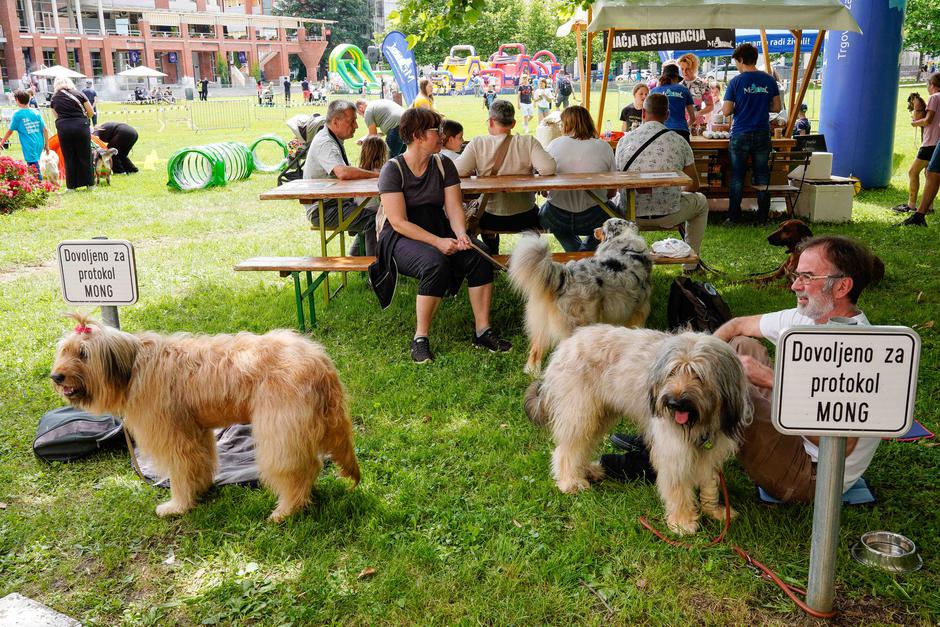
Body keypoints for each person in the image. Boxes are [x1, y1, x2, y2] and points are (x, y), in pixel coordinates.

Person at [713, 236, 882, 502]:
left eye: (807, 277)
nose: (794, 285)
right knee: (741, 345)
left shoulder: (858, 351)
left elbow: (841, 445)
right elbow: (737, 325)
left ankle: (682, 448)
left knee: (733, 390)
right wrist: (698, 361)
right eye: (796, 275)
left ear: (842, 286)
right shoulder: (811, 315)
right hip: (792, 432)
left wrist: (774, 382)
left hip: (814, 474)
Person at [373, 107, 511, 363]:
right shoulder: (393, 169)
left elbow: (454, 207)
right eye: (436, 130)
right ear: (418, 136)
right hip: (400, 238)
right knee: (434, 262)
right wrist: (437, 242)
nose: (441, 135)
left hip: (438, 228)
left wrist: (460, 234)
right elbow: (399, 222)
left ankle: (482, 331)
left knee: (479, 256)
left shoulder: (443, 164)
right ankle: (420, 338)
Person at [615, 93, 708, 272]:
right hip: (669, 213)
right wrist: (674, 192)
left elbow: (619, 182)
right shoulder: (679, 141)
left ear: (643, 113)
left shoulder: (624, 141)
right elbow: (693, 185)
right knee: (701, 202)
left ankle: (623, 262)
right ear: (667, 115)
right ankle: (691, 265)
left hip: (631, 213)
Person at [455, 99, 556, 252]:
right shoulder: (528, 142)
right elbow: (548, 168)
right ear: (513, 123)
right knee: (537, 216)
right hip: (525, 216)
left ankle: (493, 255)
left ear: (491, 121)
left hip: (490, 216)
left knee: (479, 215)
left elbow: (458, 170)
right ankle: (528, 254)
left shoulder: (478, 143)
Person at [301, 100, 379, 250]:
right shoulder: (326, 142)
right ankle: (374, 263)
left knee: (379, 212)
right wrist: (377, 175)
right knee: (376, 219)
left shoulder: (331, 138)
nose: (356, 126)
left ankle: (357, 256)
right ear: (335, 122)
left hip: (334, 204)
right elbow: (342, 172)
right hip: (323, 210)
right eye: (352, 121)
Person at [540, 106, 616, 252]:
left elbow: (544, 191)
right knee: (613, 217)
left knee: (544, 215)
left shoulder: (554, 145)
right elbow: (612, 192)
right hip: (594, 216)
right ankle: (585, 252)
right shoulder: (604, 147)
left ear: (566, 125)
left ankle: (576, 253)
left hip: (557, 217)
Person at [722, 42, 781, 225]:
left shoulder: (736, 82)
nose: (737, 66)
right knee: (762, 176)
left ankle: (734, 217)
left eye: (736, 62)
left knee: (737, 177)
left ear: (741, 59)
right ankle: (763, 218)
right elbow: (777, 107)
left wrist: (741, 106)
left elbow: (726, 111)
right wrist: (760, 105)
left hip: (740, 133)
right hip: (762, 132)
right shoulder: (769, 80)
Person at [893, 73, 939, 216]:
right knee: (929, 174)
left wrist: (915, 123)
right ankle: (929, 206)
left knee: (913, 172)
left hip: (930, 143)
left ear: (931, 85)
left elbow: (928, 120)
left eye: (927, 84)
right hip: (937, 143)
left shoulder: (934, 97)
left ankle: (911, 205)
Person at [49, 77, 95, 190]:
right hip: (81, 127)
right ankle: (90, 184)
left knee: (69, 156)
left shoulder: (54, 98)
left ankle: (71, 186)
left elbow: (56, 116)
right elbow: (91, 112)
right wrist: (83, 119)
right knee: (85, 155)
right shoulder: (79, 94)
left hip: (64, 129)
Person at [0, 89, 49, 179]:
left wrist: (2, 142)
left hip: (29, 144)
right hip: (39, 142)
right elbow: (45, 129)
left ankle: (39, 184)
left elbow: (10, 131)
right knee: (35, 162)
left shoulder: (17, 114)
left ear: (17, 100)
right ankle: (36, 181)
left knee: (33, 167)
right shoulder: (36, 112)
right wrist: (47, 144)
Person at [650, 64, 696, 142]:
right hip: (682, 132)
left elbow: (649, 116)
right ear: (676, 78)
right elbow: (692, 118)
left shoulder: (654, 91)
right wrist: (683, 126)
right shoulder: (684, 90)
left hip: (660, 132)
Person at [678, 52, 713, 130]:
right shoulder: (678, 86)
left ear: (694, 68)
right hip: (681, 125)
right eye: (682, 69)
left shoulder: (703, 84)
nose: (684, 72)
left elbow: (710, 106)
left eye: (687, 69)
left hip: (697, 125)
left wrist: (698, 113)